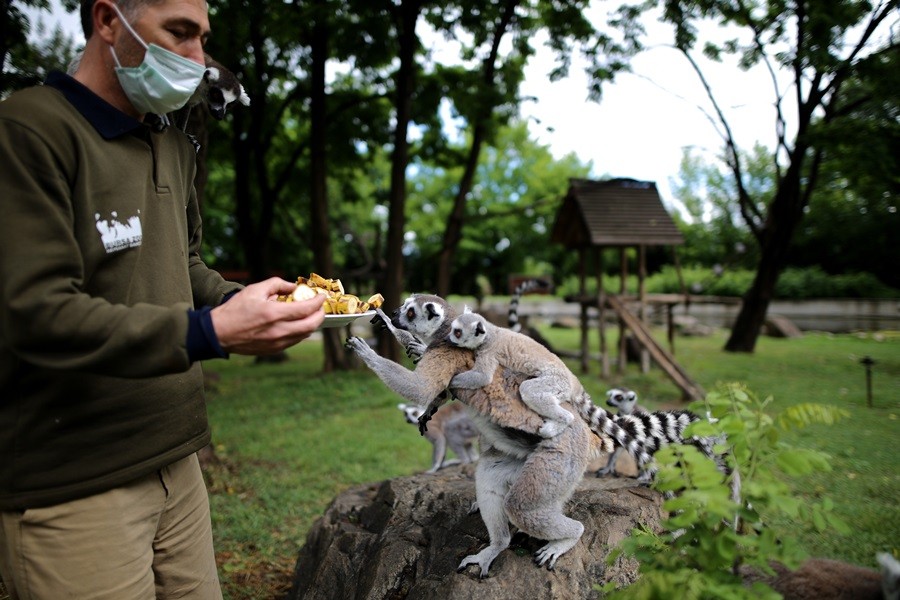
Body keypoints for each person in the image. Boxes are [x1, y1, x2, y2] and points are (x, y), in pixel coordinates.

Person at [0, 0, 325, 597]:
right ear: (106, 22)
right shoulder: (30, 128)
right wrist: (209, 332)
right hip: (74, 481)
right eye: (179, 33)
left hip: (177, 457)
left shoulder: (170, 143)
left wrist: (248, 303)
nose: (199, 59)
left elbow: (186, 264)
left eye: (202, 38)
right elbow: (35, 311)